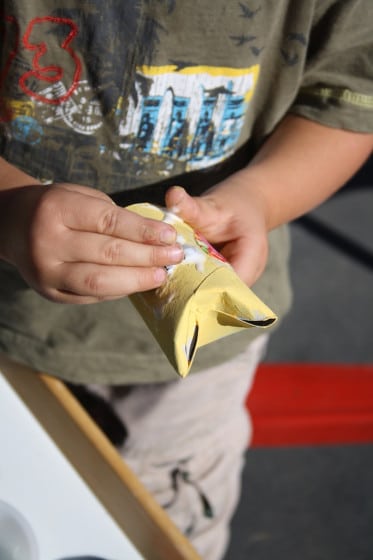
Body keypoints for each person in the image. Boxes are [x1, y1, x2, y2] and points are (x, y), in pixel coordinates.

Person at [0, 1, 372, 558]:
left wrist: (260, 199)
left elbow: (348, 102)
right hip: (11, 329)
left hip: (195, 373)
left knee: (163, 528)